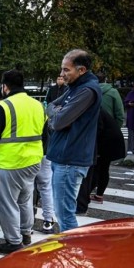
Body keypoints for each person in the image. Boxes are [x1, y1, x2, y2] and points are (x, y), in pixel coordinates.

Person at [0, 69, 44, 254]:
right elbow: (46, 133)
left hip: (11, 163)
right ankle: (26, 234)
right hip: (33, 161)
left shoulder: (3, 106)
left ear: (5, 87)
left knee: (7, 203)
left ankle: (13, 242)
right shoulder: (38, 105)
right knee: (25, 199)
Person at [46, 49, 102, 233]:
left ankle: (71, 248)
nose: (62, 74)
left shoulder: (86, 91)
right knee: (62, 211)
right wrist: (56, 113)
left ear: (81, 70)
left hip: (70, 159)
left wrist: (56, 116)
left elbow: (58, 122)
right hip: (64, 156)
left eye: (66, 70)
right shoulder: (75, 87)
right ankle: (69, 246)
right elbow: (51, 105)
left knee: (65, 214)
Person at [76, 108, 126, 214]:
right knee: (102, 169)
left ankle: (85, 197)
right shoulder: (97, 108)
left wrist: (95, 149)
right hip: (110, 142)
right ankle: (97, 195)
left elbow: (97, 130)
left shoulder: (93, 110)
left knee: (96, 170)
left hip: (107, 144)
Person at [86, 72, 126, 206]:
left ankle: (86, 193)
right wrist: (114, 128)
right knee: (104, 168)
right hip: (109, 133)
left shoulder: (89, 92)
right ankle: (99, 194)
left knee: (92, 167)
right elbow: (120, 115)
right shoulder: (113, 92)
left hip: (94, 132)